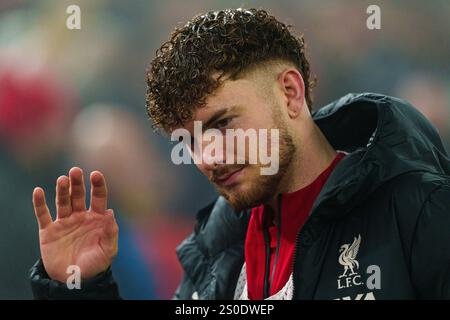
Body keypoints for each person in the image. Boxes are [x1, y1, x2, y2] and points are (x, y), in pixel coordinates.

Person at [29, 8, 450, 300]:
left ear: (290, 92)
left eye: (222, 124)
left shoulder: (419, 210)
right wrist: (79, 286)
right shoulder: (215, 247)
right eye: (190, 140)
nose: (207, 157)